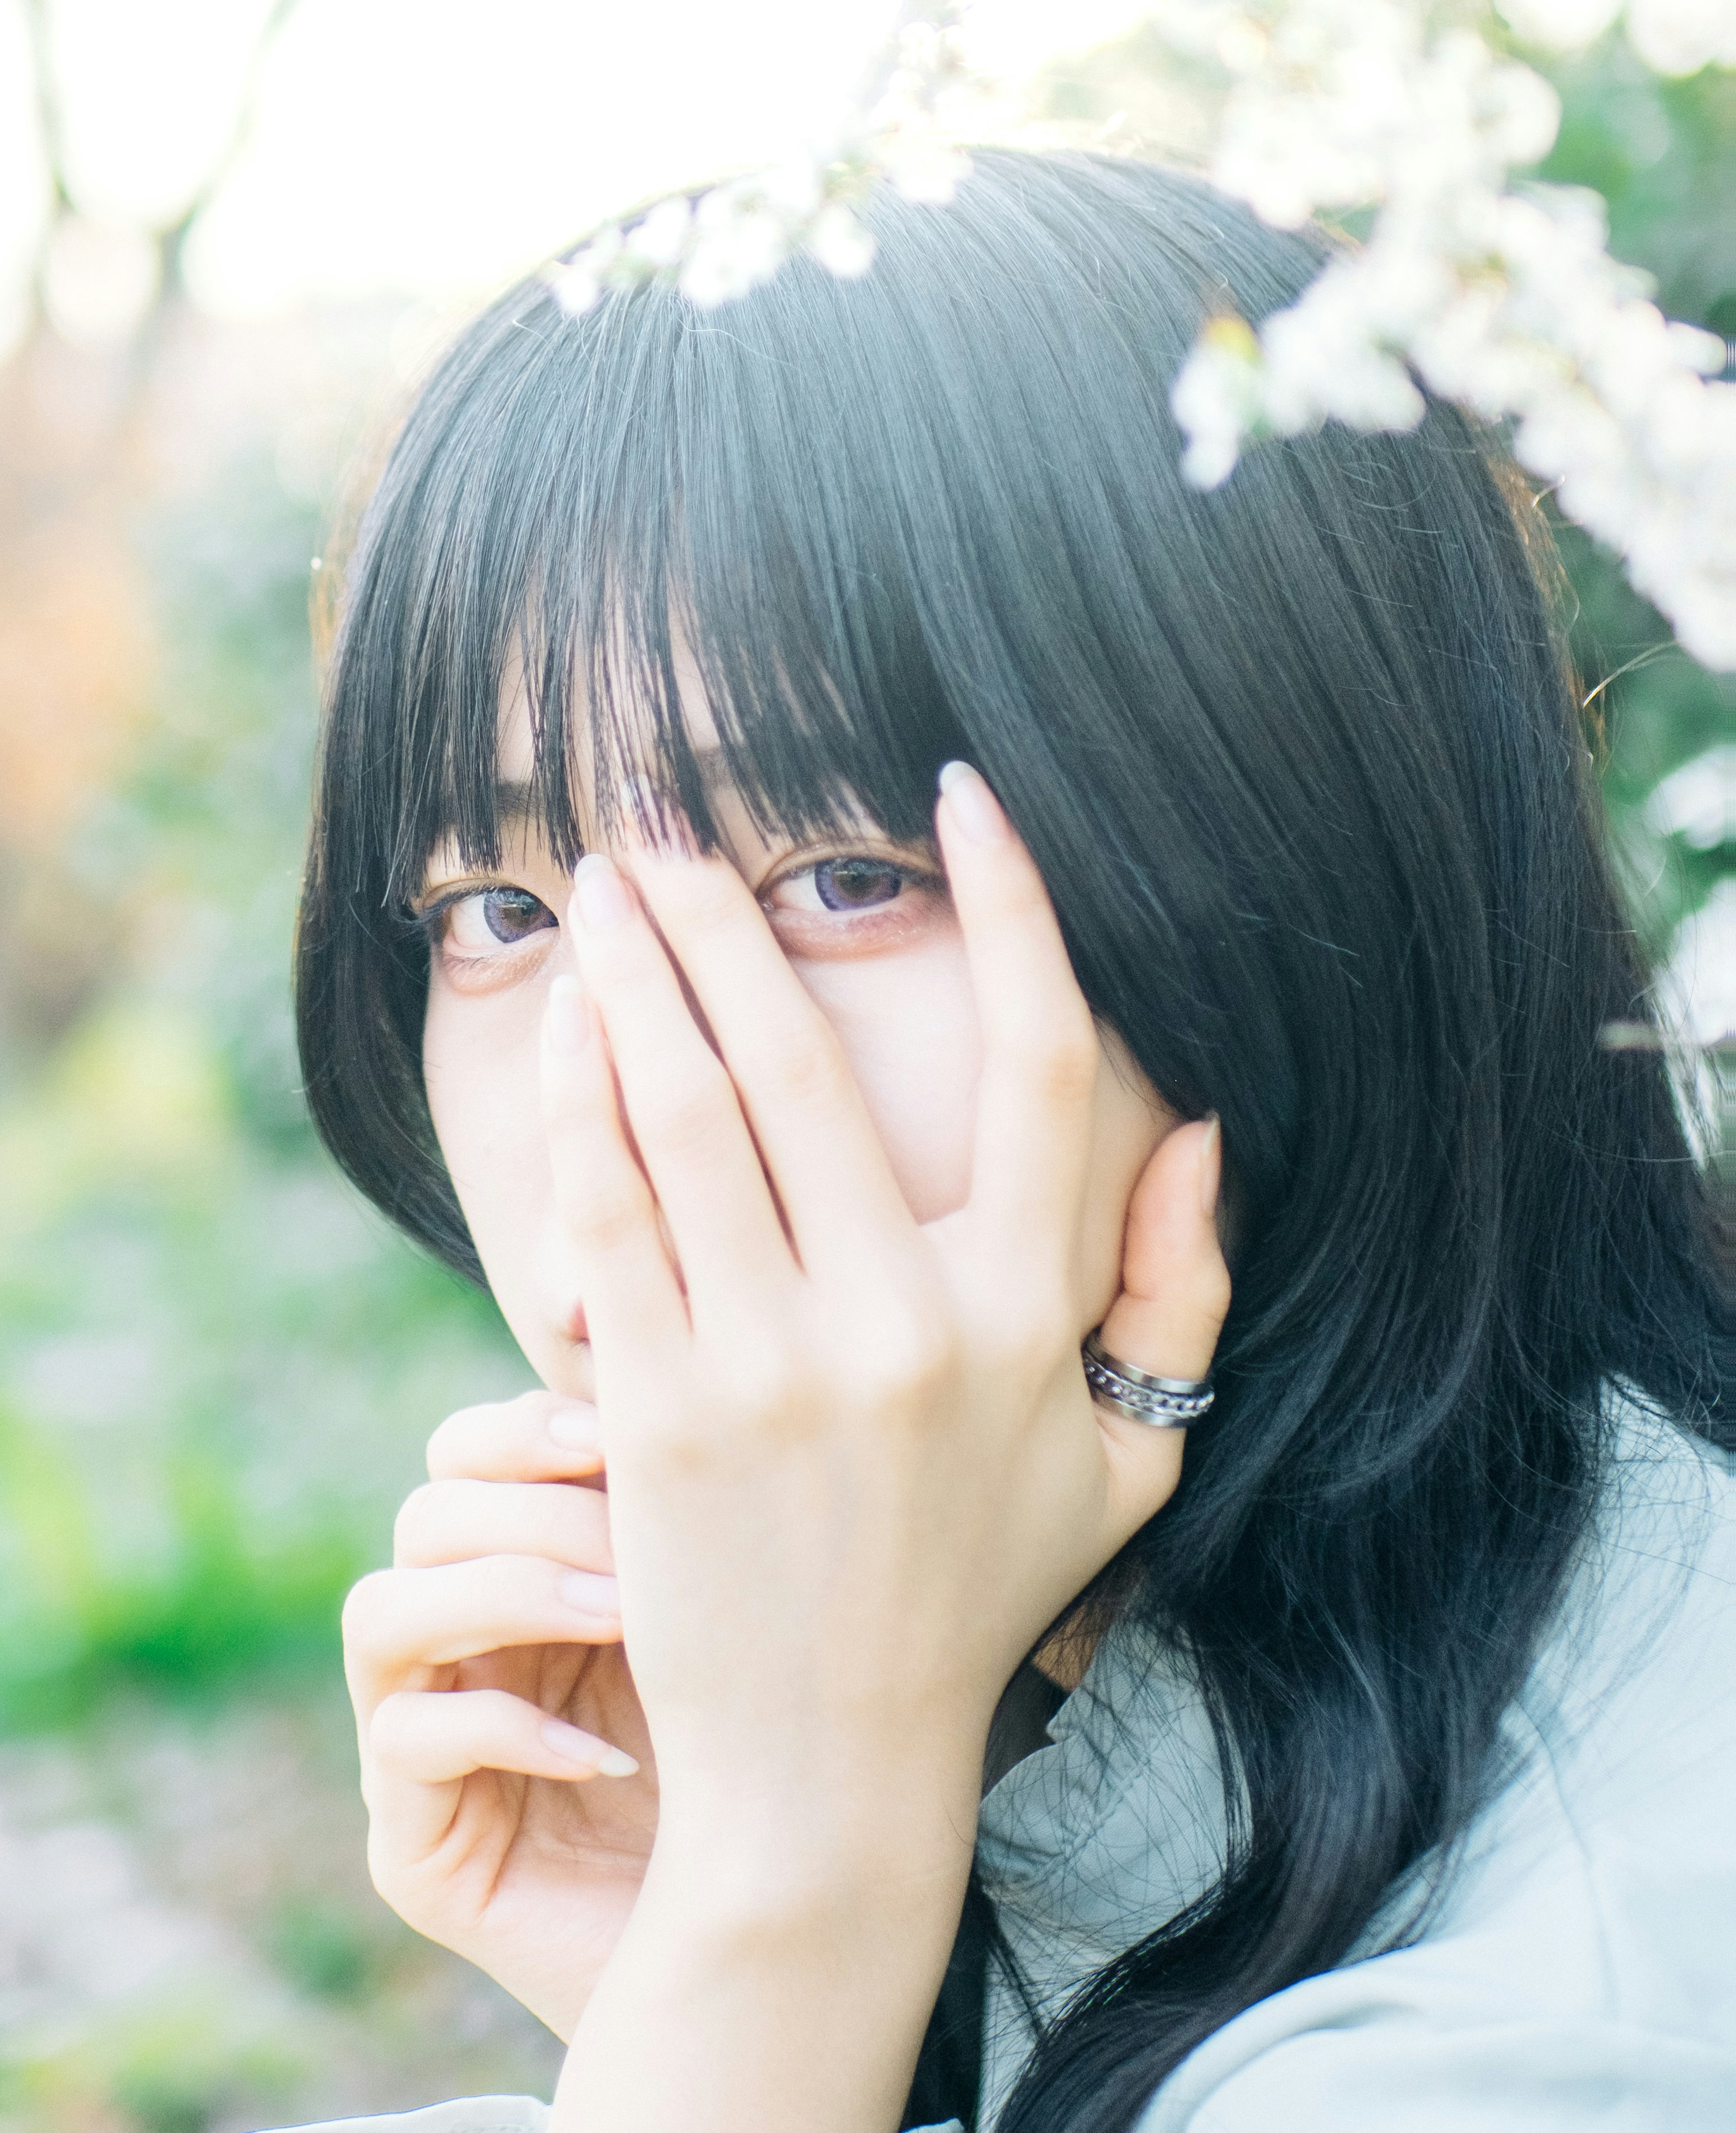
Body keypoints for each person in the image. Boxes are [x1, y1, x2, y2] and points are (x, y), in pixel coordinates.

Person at [277, 151, 1734, 2133]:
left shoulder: (1565, 2024)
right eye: (501, 914)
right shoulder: (1099, 1743)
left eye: (847, 876)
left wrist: (787, 1903)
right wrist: (715, 1984)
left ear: (1312, 868)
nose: (625, 1082)